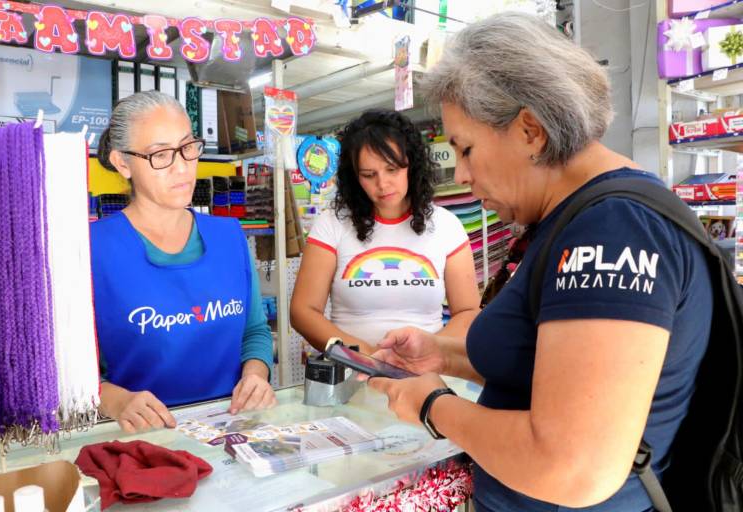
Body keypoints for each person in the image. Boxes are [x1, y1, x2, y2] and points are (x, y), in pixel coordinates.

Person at [367, 13, 713, 512]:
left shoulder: (613, 231)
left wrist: (432, 405)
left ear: (530, 130)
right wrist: (440, 355)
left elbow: (573, 467)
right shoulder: (579, 219)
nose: (462, 174)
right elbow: (549, 369)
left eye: (465, 149)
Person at [91, 91, 275, 433]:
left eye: (187, 147)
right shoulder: (92, 250)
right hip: (142, 443)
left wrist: (255, 376)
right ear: (122, 163)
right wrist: (116, 401)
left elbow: (255, 332)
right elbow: (64, 373)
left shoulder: (230, 237)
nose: (181, 167)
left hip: (231, 428)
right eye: (160, 154)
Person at [290, 110, 480, 354]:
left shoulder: (447, 225)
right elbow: (302, 312)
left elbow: (467, 312)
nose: (382, 184)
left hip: (427, 376)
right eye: (369, 175)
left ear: (412, 166)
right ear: (354, 177)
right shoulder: (331, 224)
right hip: (353, 375)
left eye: (392, 170)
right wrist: (366, 357)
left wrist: (428, 351)